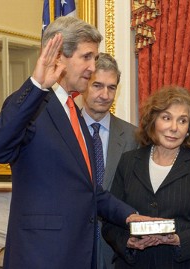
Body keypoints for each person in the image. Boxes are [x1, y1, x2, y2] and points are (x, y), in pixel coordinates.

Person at [0, 16, 154, 269]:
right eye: (86, 57)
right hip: (41, 257)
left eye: (94, 58)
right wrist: (36, 85)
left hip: (78, 255)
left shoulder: (76, 115)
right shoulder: (34, 105)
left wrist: (132, 218)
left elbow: (91, 191)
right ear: (59, 56)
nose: (92, 66)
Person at [103, 86, 190, 268]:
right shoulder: (128, 161)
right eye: (166, 118)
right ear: (153, 121)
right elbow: (110, 221)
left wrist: (178, 239)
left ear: (189, 128)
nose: (174, 128)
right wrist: (128, 242)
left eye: (182, 121)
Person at [81, 52, 139, 268]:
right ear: (85, 84)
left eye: (111, 87)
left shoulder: (134, 137)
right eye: (97, 85)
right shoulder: (65, 131)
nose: (105, 94)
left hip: (116, 247)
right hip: (73, 243)